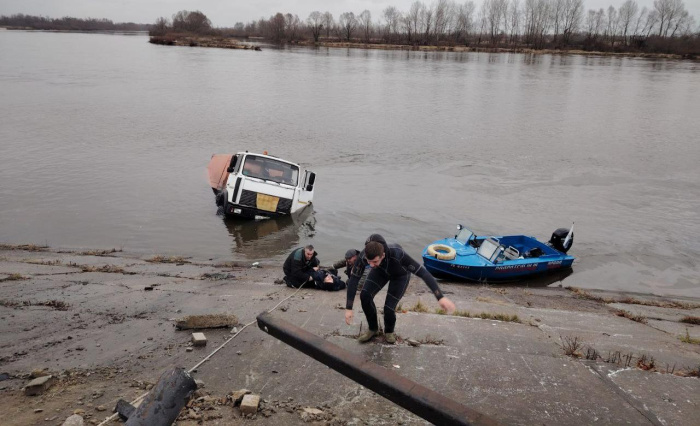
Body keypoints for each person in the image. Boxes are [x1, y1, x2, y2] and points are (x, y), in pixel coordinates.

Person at [344, 234, 456, 344]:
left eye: (374, 262)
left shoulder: (397, 253)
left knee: (389, 308)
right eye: (369, 262)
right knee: (365, 296)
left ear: (382, 255)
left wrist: (440, 297)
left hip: (400, 276)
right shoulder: (365, 256)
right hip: (380, 272)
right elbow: (354, 279)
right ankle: (373, 329)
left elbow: (423, 273)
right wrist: (349, 307)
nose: (371, 265)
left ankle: (389, 331)